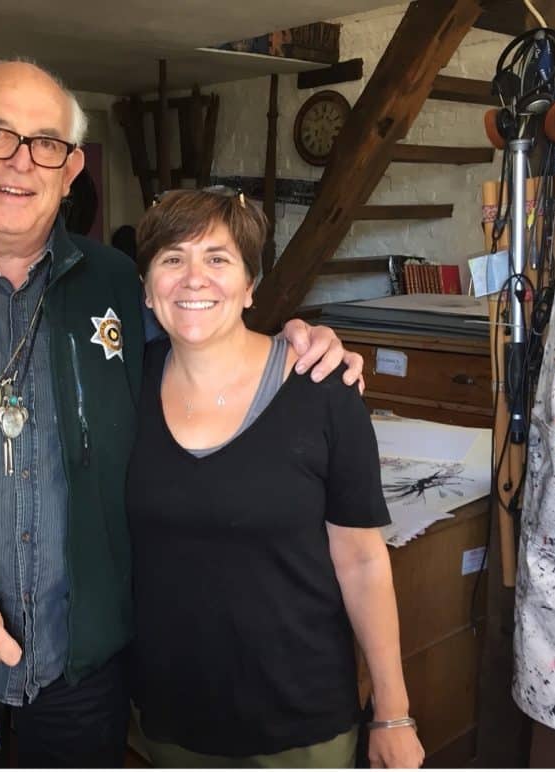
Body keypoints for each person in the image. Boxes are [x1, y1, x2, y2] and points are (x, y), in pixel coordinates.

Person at [0, 60, 362, 768]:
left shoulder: (118, 282)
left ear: (70, 172)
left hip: (87, 671)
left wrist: (297, 343)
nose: (22, 162)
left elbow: (207, 343)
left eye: (48, 144)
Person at [126, 188, 424, 769]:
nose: (194, 279)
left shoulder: (323, 389)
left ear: (249, 285)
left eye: (218, 259)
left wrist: (393, 711)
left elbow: (363, 561)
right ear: (146, 286)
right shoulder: (125, 388)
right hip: (169, 719)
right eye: (171, 258)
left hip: (300, 725)